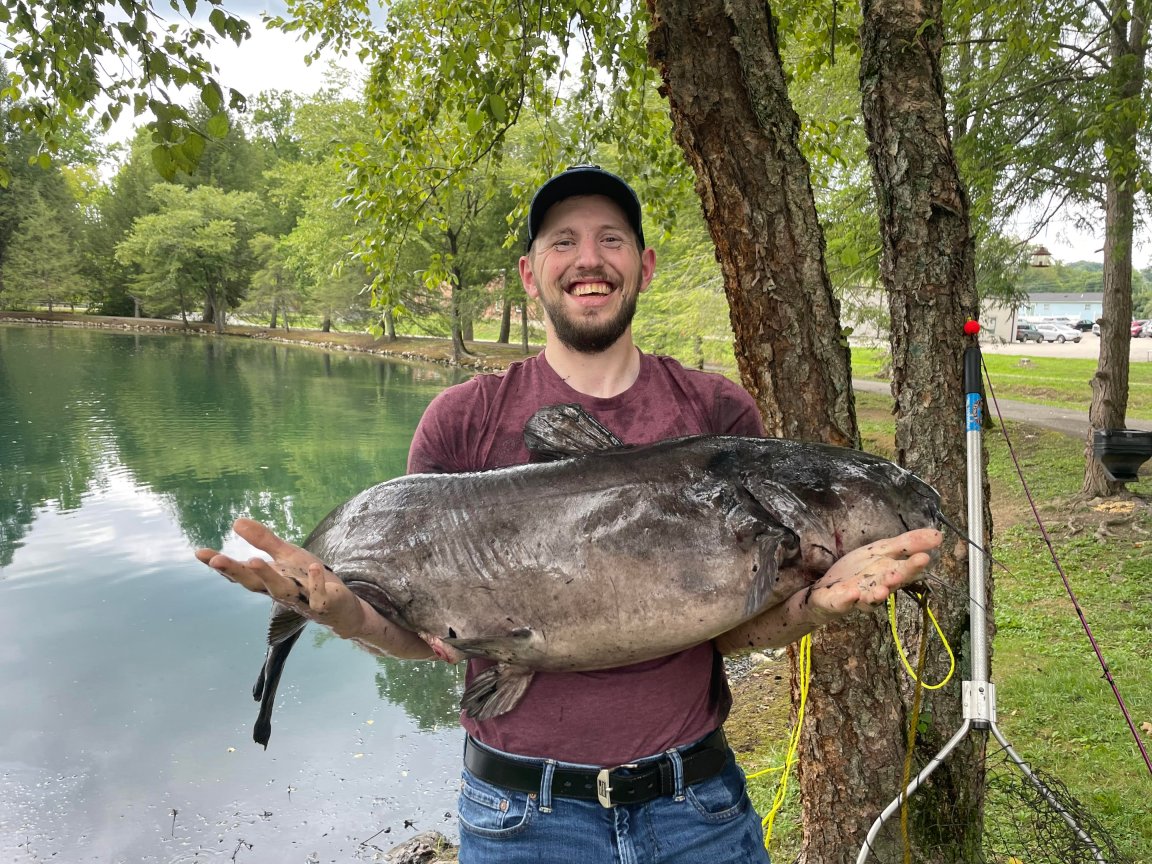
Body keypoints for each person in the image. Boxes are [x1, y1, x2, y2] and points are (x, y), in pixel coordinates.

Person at [196, 165, 942, 864]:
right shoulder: (462, 420)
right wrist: (345, 614)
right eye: (564, 241)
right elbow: (429, 639)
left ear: (643, 265)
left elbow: (730, 628)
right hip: (520, 816)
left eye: (611, 239)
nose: (590, 259)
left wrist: (810, 606)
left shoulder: (717, 414)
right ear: (531, 274)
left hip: (696, 805)